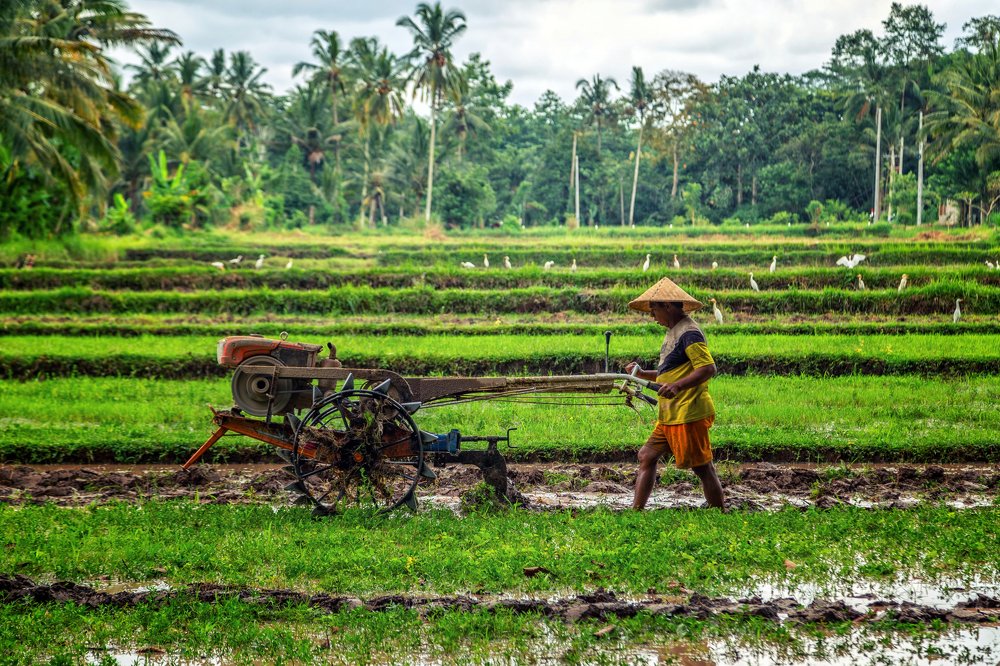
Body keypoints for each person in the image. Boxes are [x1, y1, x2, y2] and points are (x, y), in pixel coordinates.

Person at [624, 277, 725, 510]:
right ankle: (635, 512)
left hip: (688, 411)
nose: (652, 315)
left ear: (667, 306)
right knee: (646, 455)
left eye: (654, 309)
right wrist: (640, 374)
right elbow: (668, 373)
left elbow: (708, 368)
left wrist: (678, 386)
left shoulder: (690, 332)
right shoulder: (673, 331)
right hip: (670, 413)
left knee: (702, 467)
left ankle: (720, 513)